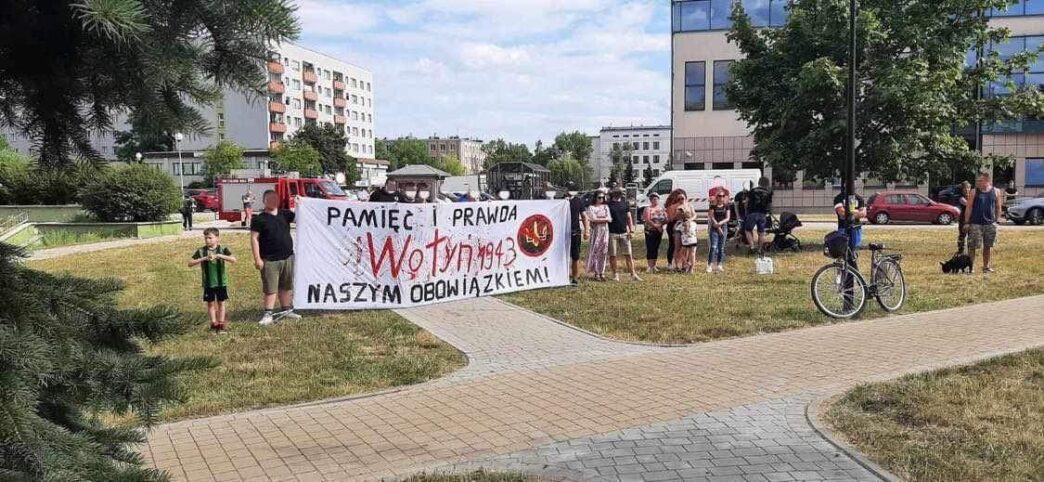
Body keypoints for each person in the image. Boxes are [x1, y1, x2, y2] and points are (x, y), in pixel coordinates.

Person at [250, 190, 301, 326]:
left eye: (275, 199)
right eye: (270, 199)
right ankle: (268, 313)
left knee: (286, 286)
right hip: (269, 260)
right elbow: (254, 239)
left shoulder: (285, 214)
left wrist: (298, 204)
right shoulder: (259, 219)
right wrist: (257, 258)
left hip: (288, 257)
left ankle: (286, 310)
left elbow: (300, 217)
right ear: (264, 201)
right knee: (270, 288)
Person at [188, 228, 236, 333]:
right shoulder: (201, 251)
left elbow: (233, 259)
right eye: (206, 238)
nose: (207, 240)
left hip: (221, 282)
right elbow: (190, 263)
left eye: (210, 238)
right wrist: (203, 258)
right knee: (210, 304)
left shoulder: (223, 249)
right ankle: (213, 324)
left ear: (217, 238)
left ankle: (221, 325)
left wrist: (220, 256)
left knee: (221, 303)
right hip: (208, 283)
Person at [963, 172, 1004, 273]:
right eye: (978, 181)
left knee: (988, 246)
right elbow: (969, 207)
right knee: (972, 246)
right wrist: (967, 222)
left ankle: (986, 267)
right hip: (975, 223)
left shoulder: (996, 191)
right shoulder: (974, 192)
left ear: (987, 181)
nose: (978, 182)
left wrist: (997, 219)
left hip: (990, 224)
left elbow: (998, 206)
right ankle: (970, 268)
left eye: (980, 180)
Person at [607, 188, 642, 281]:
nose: (621, 193)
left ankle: (633, 274)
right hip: (612, 233)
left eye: (622, 192)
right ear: (613, 193)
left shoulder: (625, 203)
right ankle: (615, 274)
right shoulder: (608, 204)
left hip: (624, 233)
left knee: (628, 254)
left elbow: (629, 217)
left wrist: (631, 230)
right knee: (613, 255)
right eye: (619, 192)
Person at [584, 192, 611, 281]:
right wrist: (603, 219)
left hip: (605, 231)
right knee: (596, 250)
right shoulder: (591, 208)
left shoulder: (606, 207)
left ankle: (602, 272)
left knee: (604, 251)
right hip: (596, 232)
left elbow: (609, 218)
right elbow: (593, 218)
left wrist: (599, 219)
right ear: (595, 198)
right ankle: (596, 272)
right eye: (599, 197)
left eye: (603, 197)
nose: (601, 199)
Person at [744, 177, 773, 252]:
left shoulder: (752, 190)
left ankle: (752, 247)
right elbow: (770, 205)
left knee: (748, 230)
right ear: (767, 184)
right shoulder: (768, 192)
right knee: (761, 232)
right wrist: (769, 212)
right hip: (763, 214)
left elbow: (746, 202)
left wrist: (746, 211)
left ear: (759, 182)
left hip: (752, 212)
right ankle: (759, 249)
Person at [642, 192, 668, 273]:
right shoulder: (648, 208)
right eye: (653, 199)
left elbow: (666, 219)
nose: (655, 200)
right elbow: (647, 219)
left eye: (656, 199)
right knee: (650, 247)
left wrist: (661, 225)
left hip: (659, 231)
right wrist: (656, 226)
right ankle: (649, 266)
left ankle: (654, 265)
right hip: (650, 231)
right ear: (651, 200)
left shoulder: (661, 209)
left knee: (656, 247)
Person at [566, 183, 586, 285]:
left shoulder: (579, 201)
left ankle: (574, 278)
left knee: (575, 256)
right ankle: (563, 277)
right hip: (562, 233)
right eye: (568, 188)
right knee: (562, 256)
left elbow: (584, 216)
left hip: (575, 232)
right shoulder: (560, 201)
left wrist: (587, 230)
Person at [663, 189, 687, 271]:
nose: (681, 199)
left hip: (684, 226)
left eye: (682, 198)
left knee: (684, 245)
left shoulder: (686, 205)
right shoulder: (671, 207)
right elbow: (670, 219)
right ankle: (670, 263)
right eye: (679, 198)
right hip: (673, 226)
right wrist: (677, 214)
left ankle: (682, 263)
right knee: (673, 245)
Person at [707, 192, 731, 273]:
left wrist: (720, 224)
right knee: (713, 247)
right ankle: (709, 265)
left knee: (721, 247)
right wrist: (717, 226)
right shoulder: (713, 206)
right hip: (714, 227)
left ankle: (719, 264)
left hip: (723, 227)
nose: (721, 197)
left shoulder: (726, 206)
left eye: (723, 196)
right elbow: (711, 217)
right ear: (717, 197)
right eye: (720, 196)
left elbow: (728, 218)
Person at [674, 198, 698, 273]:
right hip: (694, 241)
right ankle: (691, 269)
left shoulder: (681, 225)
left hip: (686, 243)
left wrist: (678, 223)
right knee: (693, 254)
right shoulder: (694, 224)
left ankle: (687, 263)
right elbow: (696, 231)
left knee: (681, 253)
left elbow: (676, 229)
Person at [956, 181, 972, 254]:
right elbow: (968, 204)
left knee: (971, 235)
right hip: (963, 219)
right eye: (965, 188)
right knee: (962, 235)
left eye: (968, 188)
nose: (967, 190)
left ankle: (970, 251)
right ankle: (960, 250)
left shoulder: (972, 196)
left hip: (972, 219)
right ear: (962, 189)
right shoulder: (961, 198)